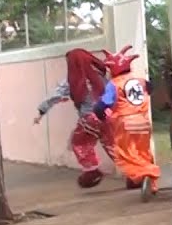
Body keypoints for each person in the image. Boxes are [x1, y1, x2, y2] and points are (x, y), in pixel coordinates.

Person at [35, 48, 115, 188]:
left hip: (89, 119)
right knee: (112, 145)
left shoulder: (72, 80)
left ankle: (92, 172)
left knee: (79, 143)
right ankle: (134, 172)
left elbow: (55, 95)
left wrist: (41, 112)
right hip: (107, 117)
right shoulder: (101, 77)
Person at [94, 45, 161, 201]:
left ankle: (146, 173)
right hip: (143, 123)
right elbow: (151, 88)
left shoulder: (114, 84)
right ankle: (151, 185)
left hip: (125, 123)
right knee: (144, 153)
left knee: (123, 154)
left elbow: (100, 106)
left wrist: (103, 117)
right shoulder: (140, 81)